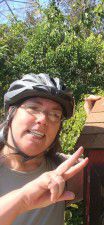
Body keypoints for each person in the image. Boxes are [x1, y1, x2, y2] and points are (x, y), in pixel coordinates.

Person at [0, 73, 89, 225]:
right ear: (11, 114)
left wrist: (98, 116)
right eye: (33, 108)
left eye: (55, 115)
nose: (43, 120)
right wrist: (24, 198)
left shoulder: (65, 171)